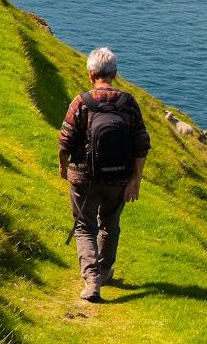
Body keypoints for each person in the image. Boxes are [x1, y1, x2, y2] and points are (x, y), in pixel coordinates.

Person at [59, 47, 149, 303]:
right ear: (115, 74)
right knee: (109, 224)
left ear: (91, 73)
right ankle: (105, 269)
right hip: (119, 177)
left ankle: (91, 280)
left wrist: (63, 166)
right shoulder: (128, 103)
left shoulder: (81, 102)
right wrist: (135, 180)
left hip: (83, 177)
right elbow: (142, 143)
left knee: (85, 226)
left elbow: (65, 141)